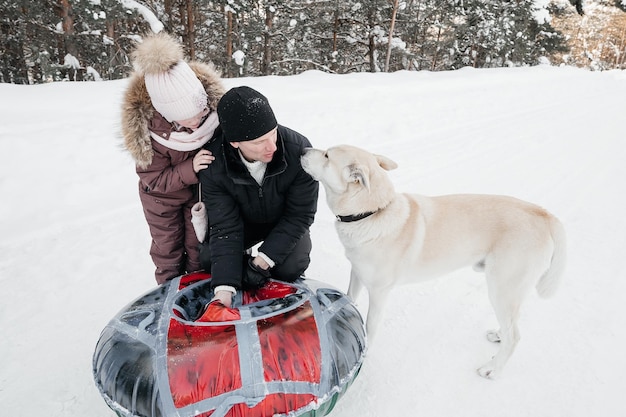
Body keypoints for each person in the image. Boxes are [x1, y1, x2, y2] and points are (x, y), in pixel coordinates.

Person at [198, 86, 319, 307]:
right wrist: (224, 291)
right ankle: (239, 270)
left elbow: (300, 214)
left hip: (284, 222)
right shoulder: (214, 165)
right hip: (243, 224)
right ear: (234, 142)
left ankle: (257, 267)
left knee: (290, 266)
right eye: (258, 142)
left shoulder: (298, 150)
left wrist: (261, 261)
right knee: (209, 260)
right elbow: (225, 227)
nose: (271, 146)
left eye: (272, 133)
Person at [121, 33, 225, 284]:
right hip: (161, 202)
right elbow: (153, 180)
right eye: (191, 117)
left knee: (196, 242)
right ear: (170, 116)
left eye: (202, 110)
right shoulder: (153, 134)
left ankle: (196, 285)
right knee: (168, 249)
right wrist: (190, 168)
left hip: (197, 195)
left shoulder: (210, 116)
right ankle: (169, 290)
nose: (200, 119)